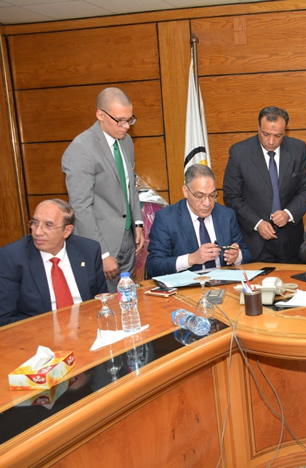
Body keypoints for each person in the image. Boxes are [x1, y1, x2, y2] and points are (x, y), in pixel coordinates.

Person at [62, 87, 144, 292]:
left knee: (127, 299)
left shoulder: (126, 141)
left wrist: (138, 223)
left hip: (127, 239)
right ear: (100, 115)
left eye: (130, 120)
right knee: (106, 303)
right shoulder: (81, 149)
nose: (126, 126)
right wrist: (103, 254)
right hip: (102, 243)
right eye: (120, 120)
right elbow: (81, 208)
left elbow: (130, 184)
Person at [223, 106, 306, 263]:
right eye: (266, 134)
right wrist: (257, 223)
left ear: (285, 131)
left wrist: (288, 213)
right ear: (258, 127)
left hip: (290, 240)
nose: (271, 141)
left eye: (278, 136)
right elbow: (232, 196)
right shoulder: (239, 152)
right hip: (254, 240)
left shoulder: (298, 149)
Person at [0, 199, 107, 326]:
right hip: (40, 331)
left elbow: (101, 301)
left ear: (67, 231)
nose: (38, 232)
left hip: (88, 326)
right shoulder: (12, 257)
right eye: (35, 223)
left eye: (48, 225)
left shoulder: (89, 250)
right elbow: (5, 318)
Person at [146, 165, 251, 277]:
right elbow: (154, 265)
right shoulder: (166, 218)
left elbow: (247, 254)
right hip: (187, 286)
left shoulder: (226, 215)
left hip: (224, 283)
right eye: (200, 196)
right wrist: (191, 259)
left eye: (212, 195)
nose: (207, 203)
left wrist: (237, 256)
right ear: (186, 191)